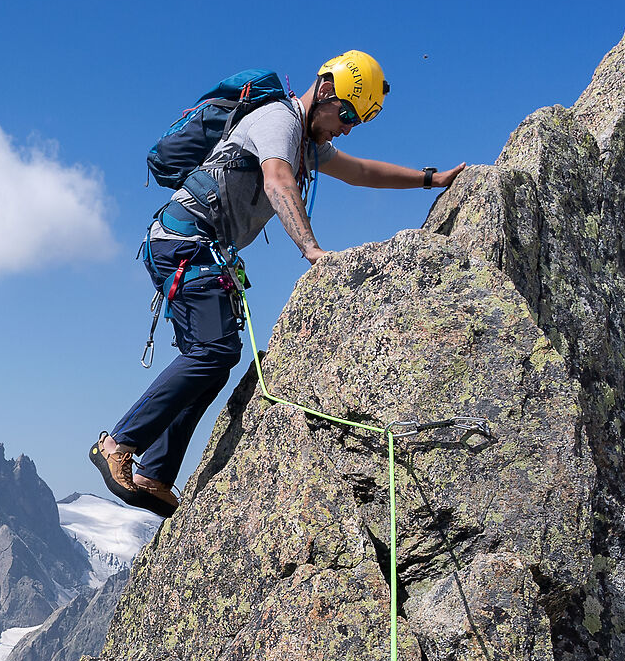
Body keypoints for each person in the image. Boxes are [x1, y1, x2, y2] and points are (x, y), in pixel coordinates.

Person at [93, 51, 466, 517]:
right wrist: (311, 249)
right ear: (326, 90)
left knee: (215, 356)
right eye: (347, 114)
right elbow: (276, 179)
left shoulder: (308, 143)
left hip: (192, 247)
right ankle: (120, 442)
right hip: (183, 244)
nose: (346, 128)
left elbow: (361, 171)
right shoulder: (278, 122)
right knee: (215, 353)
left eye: (356, 122)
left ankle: (155, 472)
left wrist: (429, 180)